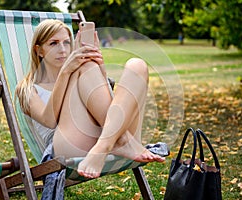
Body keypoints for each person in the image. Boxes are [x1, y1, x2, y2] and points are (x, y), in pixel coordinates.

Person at [16, 19, 165, 179]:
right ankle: (120, 140)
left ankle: (113, 142)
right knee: (86, 67)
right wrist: (66, 72)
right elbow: (49, 120)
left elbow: (107, 108)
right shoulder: (28, 88)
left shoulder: (79, 74)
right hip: (69, 146)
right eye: (53, 43)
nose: (62, 49)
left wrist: (101, 71)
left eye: (67, 42)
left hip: (106, 136)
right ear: (39, 50)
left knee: (137, 65)